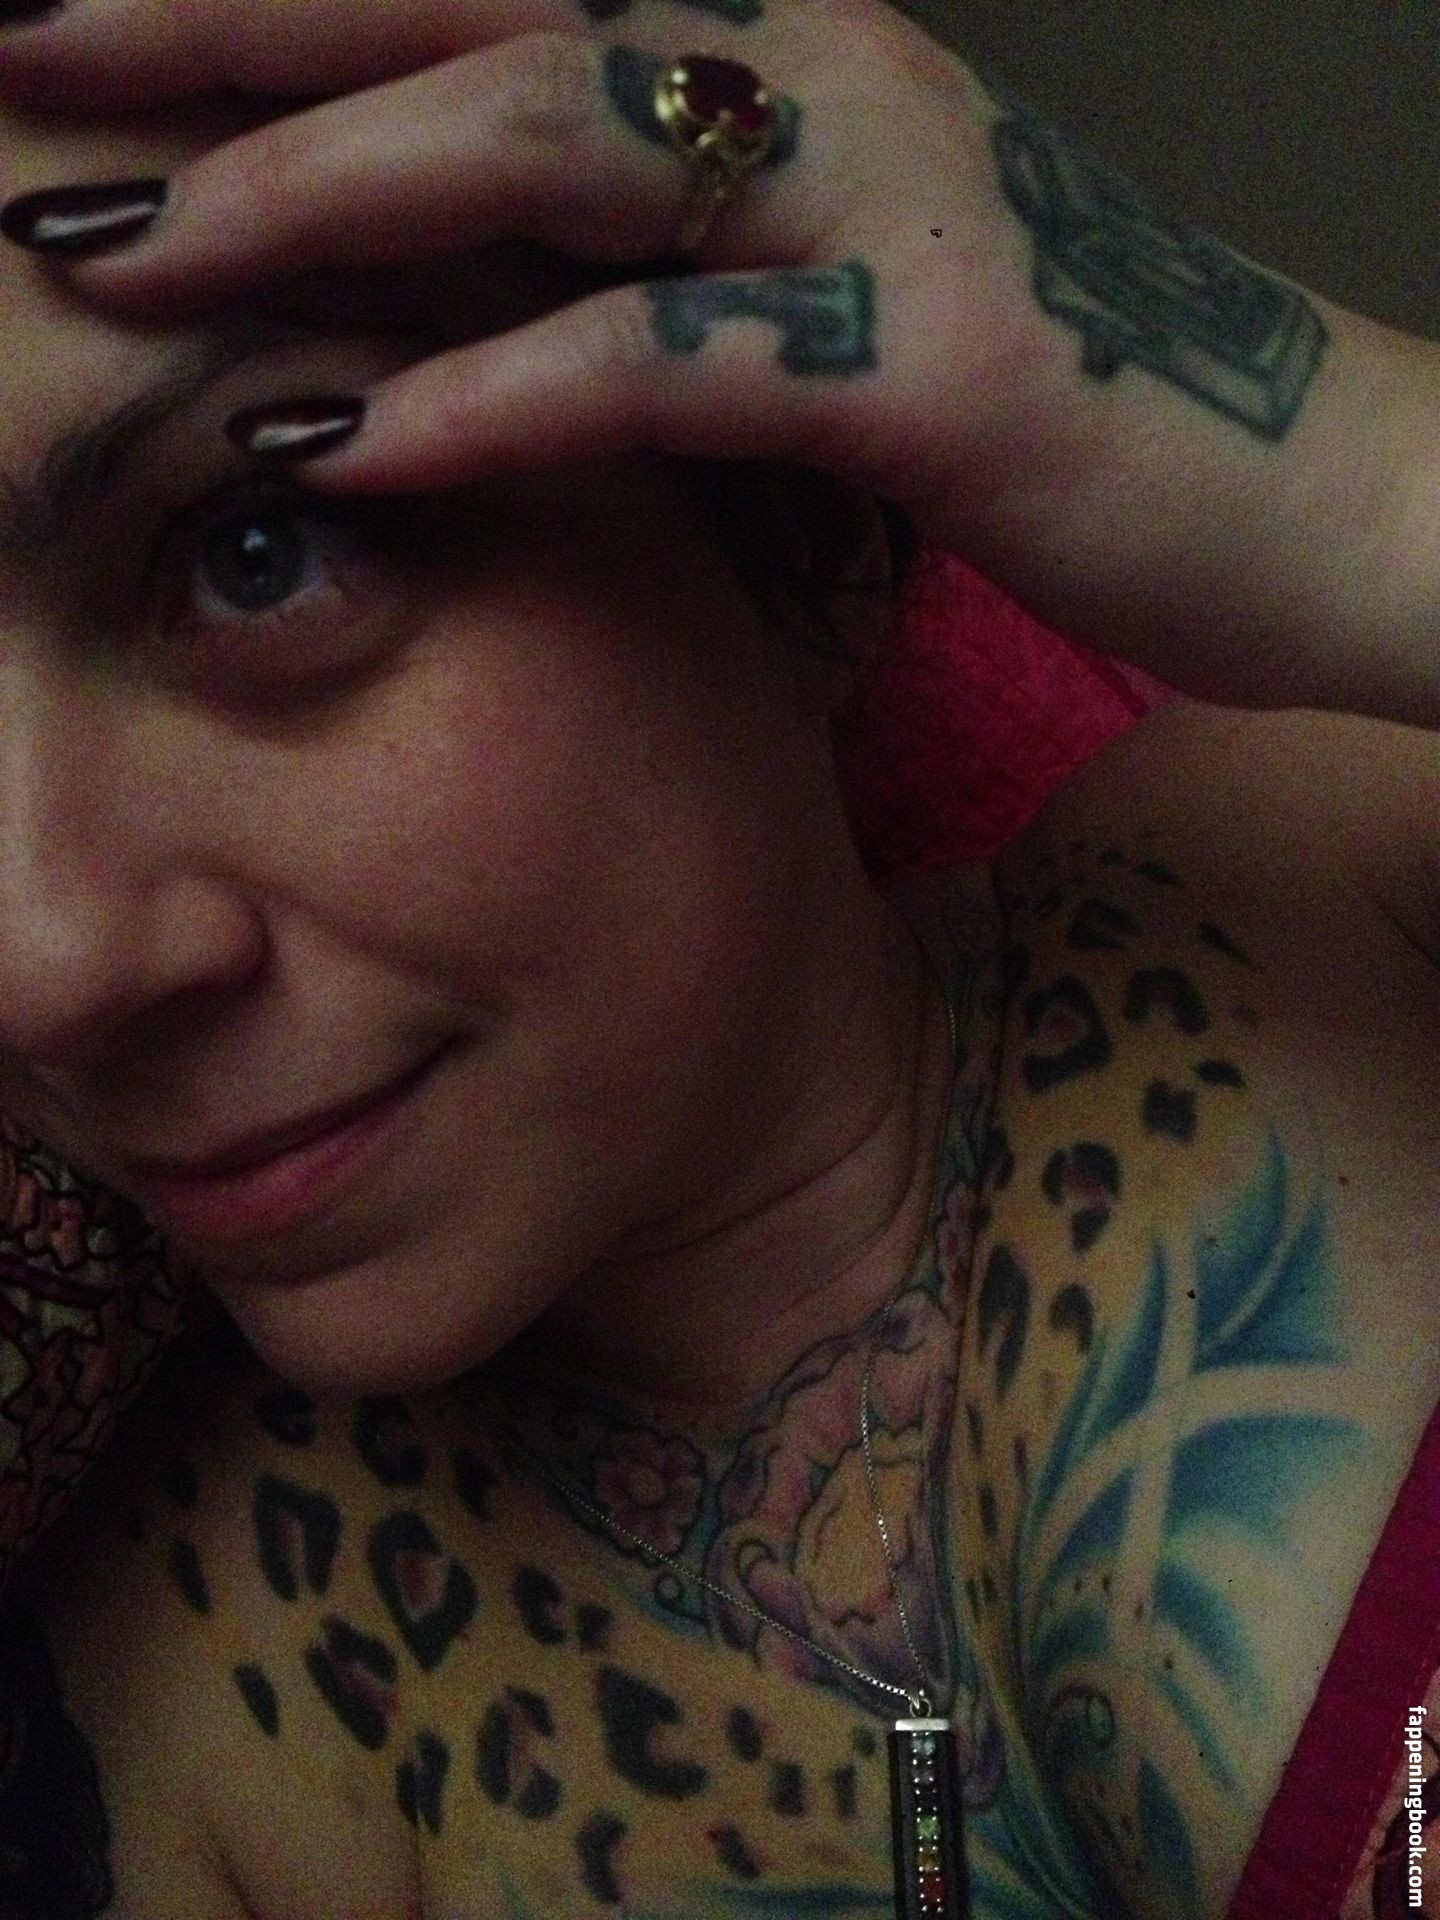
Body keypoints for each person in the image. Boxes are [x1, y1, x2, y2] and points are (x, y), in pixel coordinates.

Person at [0, 1, 1434, 1916]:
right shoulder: (200, 1744)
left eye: (260, 548)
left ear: (799, 505)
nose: (43, 967)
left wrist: (1375, 480)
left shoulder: (1336, 881)